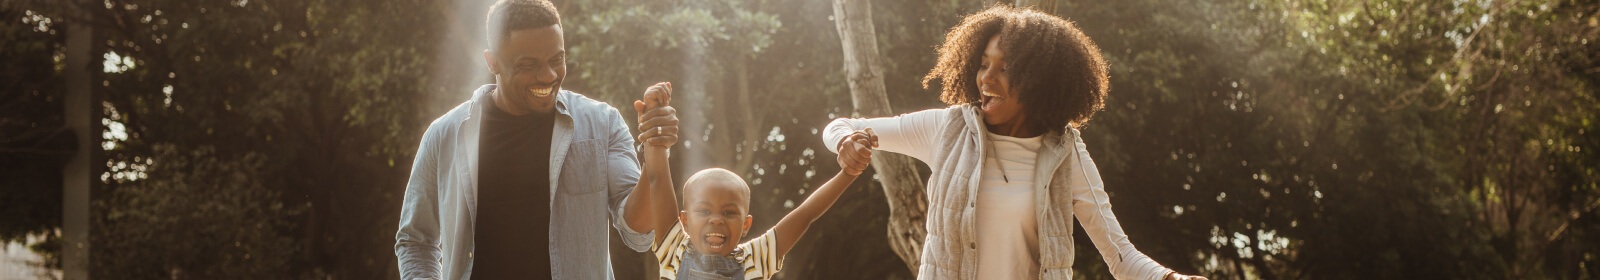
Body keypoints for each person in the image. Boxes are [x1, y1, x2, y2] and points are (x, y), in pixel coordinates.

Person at [822, 6, 1208, 280]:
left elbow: (1120, 256)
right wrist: (846, 141)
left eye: (1005, 69)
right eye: (983, 63)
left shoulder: (1065, 152)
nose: (986, 79)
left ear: (1041, 80)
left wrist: (1171, 278)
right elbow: (842, 124)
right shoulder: (947, 129)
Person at [392, 0, 680, 278]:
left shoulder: (602, 124)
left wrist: (655, 148)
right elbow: (416, 240)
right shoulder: (444, 135)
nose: (549, 75)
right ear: (492, 62)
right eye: (528, 65)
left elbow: (638, 231)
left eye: (557, 59)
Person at [635, 95, 879, 279]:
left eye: (729, 212)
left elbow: (806, 214)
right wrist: (655, 121)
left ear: (746, 225)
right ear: (685, 220)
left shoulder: (757, 257)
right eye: (704, 211)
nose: (717, 220)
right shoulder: (673, 247)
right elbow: (657, 177)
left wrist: (849, 172)